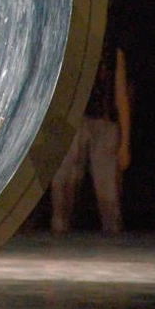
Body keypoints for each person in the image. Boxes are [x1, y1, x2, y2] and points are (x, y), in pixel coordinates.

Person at [50, 38, 132, 235]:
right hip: (72, 120)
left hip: (104, 122)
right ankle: (58, 237)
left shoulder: (113, 52)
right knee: (63, 187)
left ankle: (113, 238)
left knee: (109, 194)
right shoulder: (69, 45)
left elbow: (121, 96)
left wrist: (125, 144)